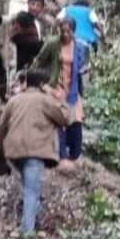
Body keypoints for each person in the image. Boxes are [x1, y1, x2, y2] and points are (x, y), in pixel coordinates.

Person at [0, 68, 71, 238]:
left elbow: (0, 131)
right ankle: (26, 233)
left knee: (30, 187)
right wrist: (57, 97)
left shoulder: (14, 100)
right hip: (34, 151)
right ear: (42, 85)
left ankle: (33, 218)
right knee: (31, 191)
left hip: (14, 152)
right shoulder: (45, 101)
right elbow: (66, 118)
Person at [30, 16, 87, 168]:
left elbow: (82, 65)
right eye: (63, 31)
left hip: (73, 88)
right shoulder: (53, 44)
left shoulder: (79, 47)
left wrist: (84, 71)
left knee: (76, 120)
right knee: (59, 121)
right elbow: (39, 61)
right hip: (56, 87)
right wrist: (33, 79)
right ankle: (61, 156)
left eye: (68, 32)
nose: (65, 34)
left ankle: (75, 155)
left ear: (73, 32)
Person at [9, 11, 43, 76]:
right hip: (21, 67)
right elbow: (32, 45)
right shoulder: (17, 37)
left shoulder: (33, 27)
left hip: (29, 64)